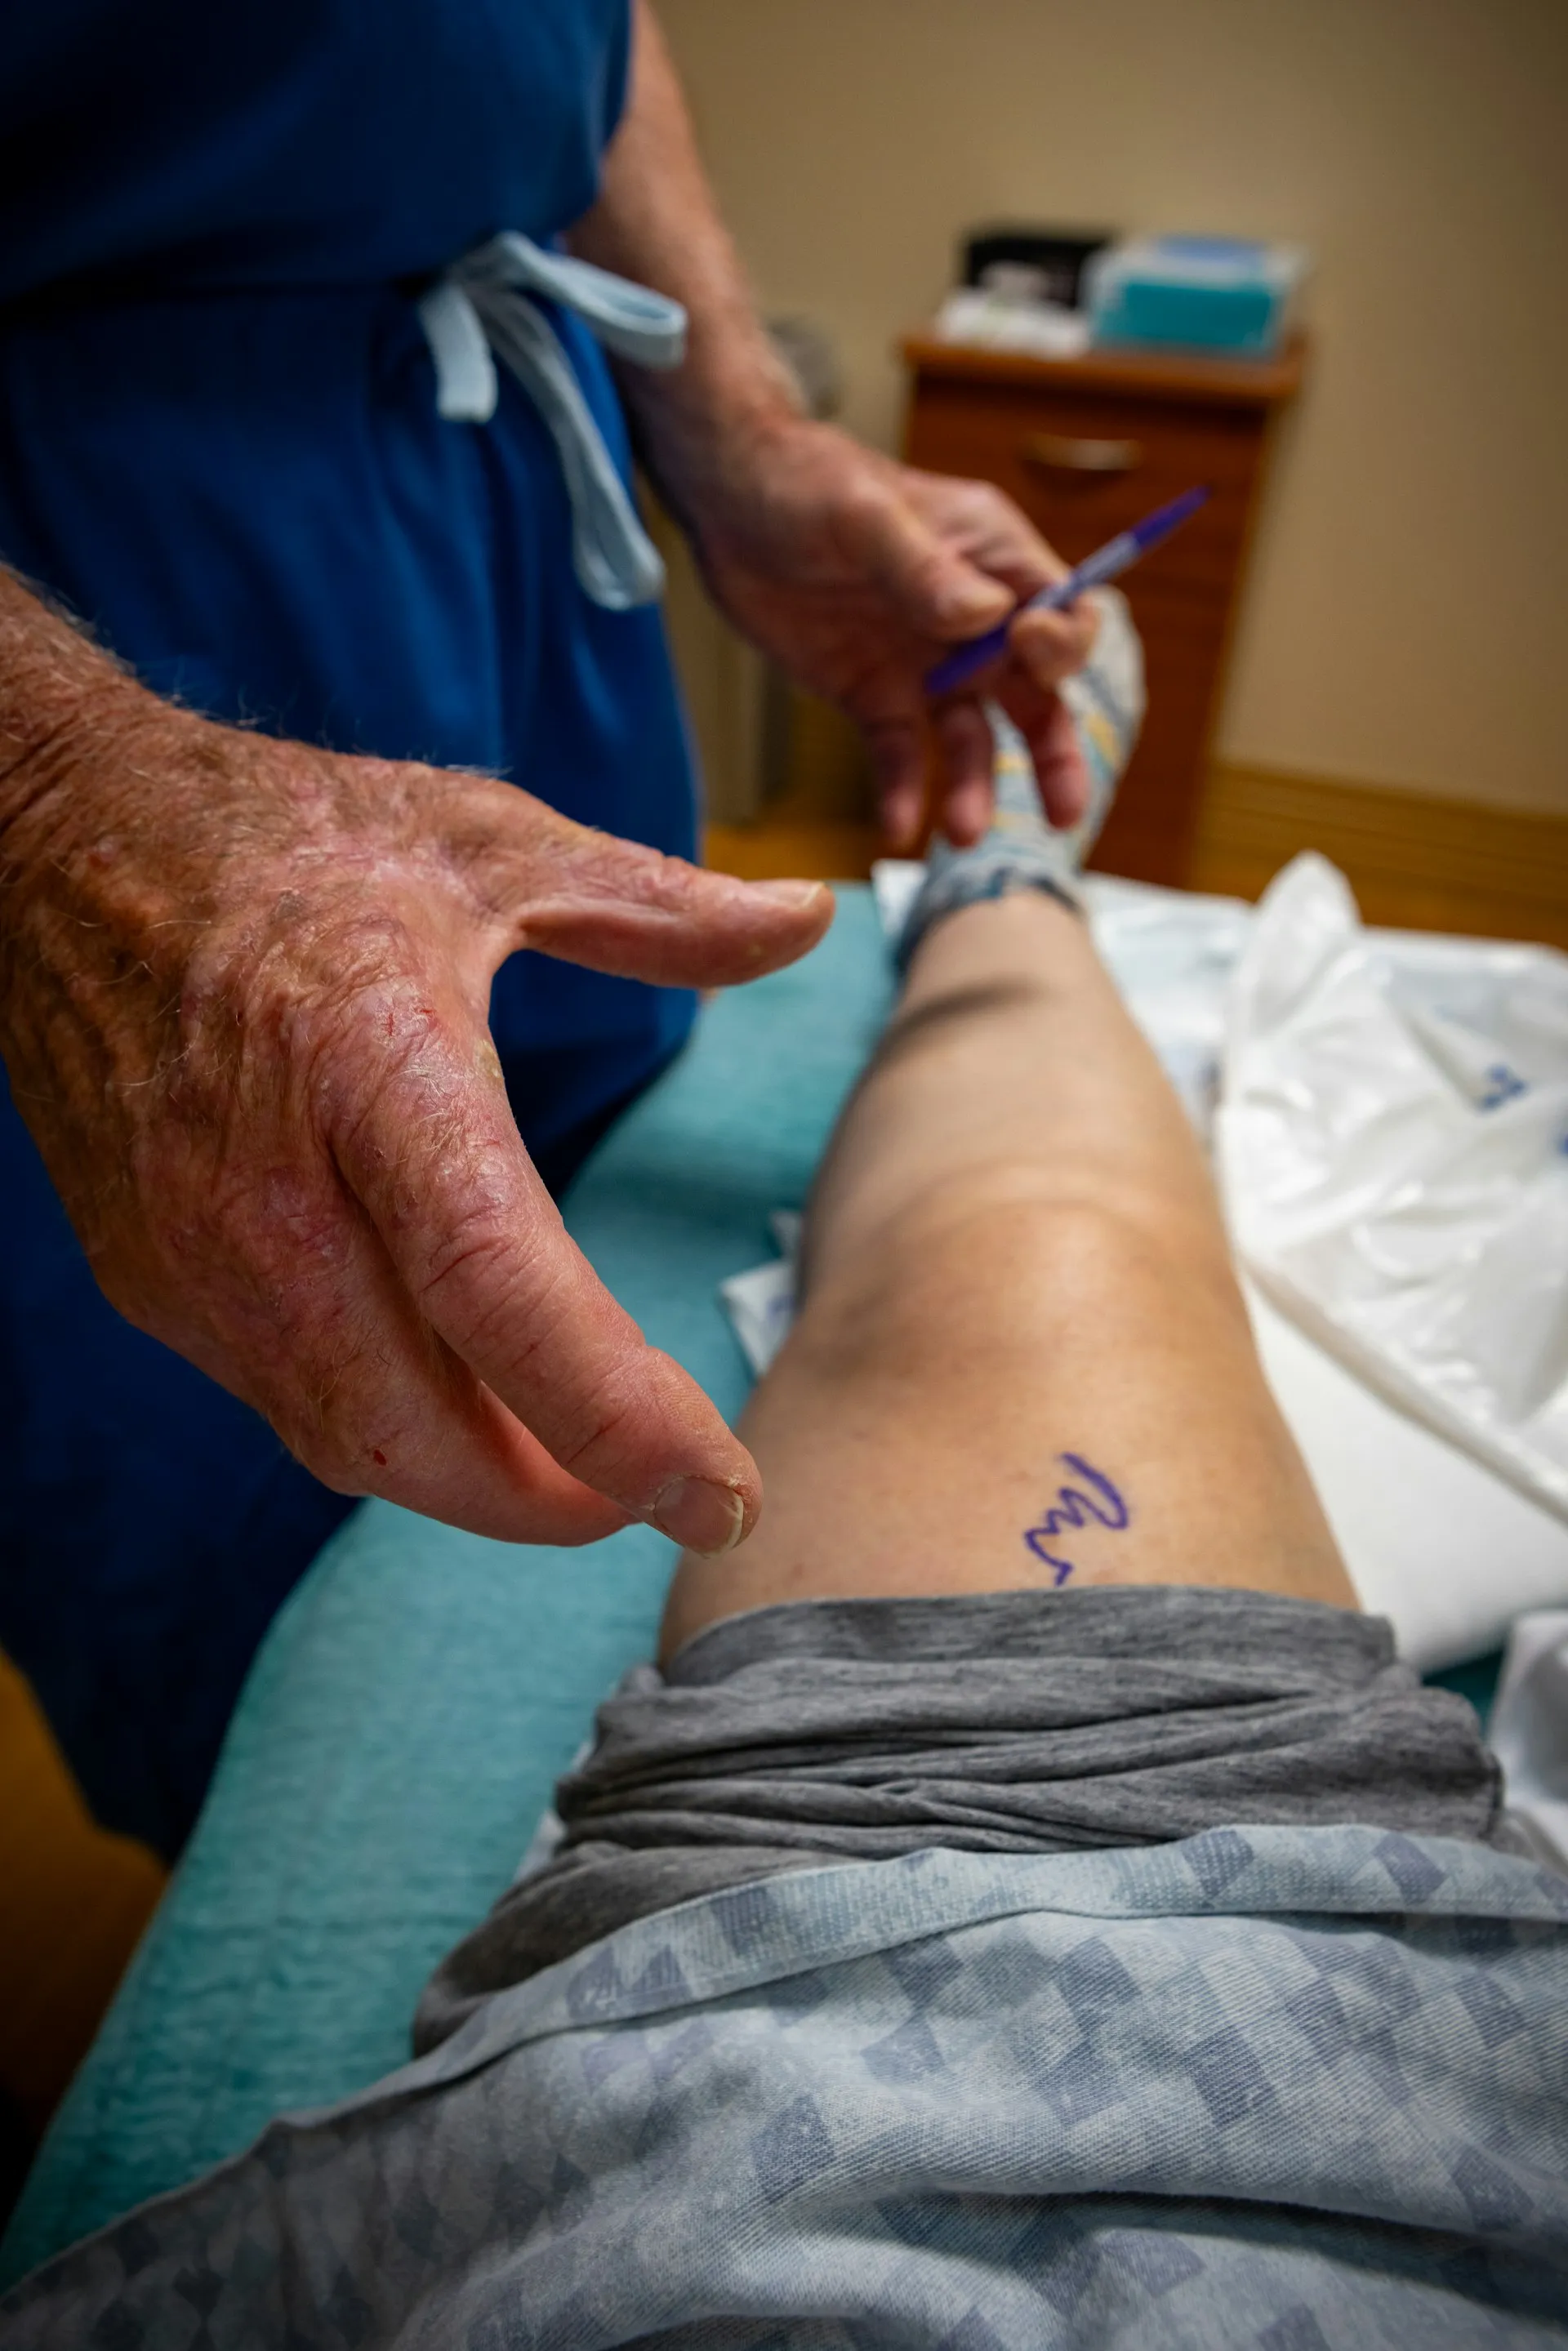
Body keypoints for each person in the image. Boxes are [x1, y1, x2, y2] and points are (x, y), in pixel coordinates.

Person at [6, 666, 1562, 2348]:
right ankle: (1005, 876)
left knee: (1034, 1216)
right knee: (1042, 1218)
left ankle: (1001, 876)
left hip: (835, 2020)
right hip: (1201, 1928)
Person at [0, 0, 1098, 1852]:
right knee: (234, 1402)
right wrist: (42, 802)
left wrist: (740, 433)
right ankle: (285, 1848)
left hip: (501, 473)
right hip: (87, 548)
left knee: (595, 1198)